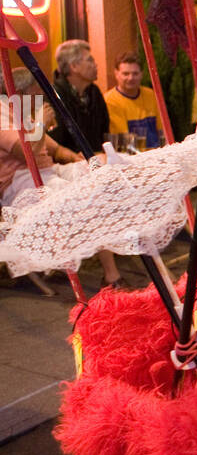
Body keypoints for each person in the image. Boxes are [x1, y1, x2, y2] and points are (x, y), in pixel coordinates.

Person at [0, 67, 126, 286]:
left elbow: (56, 150)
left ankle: (130, 237)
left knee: (105, 166)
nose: (40, 96)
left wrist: (82, 160)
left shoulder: (22, 113)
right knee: (88, 195)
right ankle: (111, 275)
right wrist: (40, 122)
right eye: (36, 91)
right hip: (22, 181)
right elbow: (26, 152)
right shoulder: (3, 114)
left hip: (47, 171)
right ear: (19, 93)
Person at [48, 40, 111, 157]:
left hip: (98, 160)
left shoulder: (94, 91)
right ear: (74, 66)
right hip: (69, 164)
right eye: (90, 60)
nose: (95, 64)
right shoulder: (53, 95)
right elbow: (55, 141)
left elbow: (104, 131)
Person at [104, 52, 163, 149]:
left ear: (141, 74)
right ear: (116, 74)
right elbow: (122, 145)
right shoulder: (109, 101)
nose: (131, 78)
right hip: (130, 159)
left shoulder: (151, 95)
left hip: (157, 156)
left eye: (135, 74)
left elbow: (162, 133)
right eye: (125, 74)